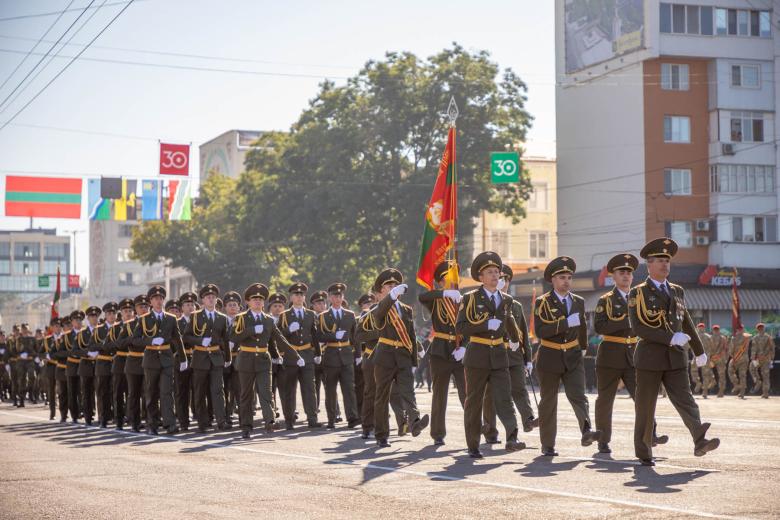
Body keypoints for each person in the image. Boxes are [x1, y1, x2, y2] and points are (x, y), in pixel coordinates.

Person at [628, 237, 719, 466]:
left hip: (676, 357)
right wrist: (670, 337)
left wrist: (698, 349)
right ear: (649, 265)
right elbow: (639, 328)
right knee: (646, 407)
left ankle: (700, 439)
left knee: (686, 400)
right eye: (660, 261)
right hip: (650, 357)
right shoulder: (638, 293)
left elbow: (685, 320)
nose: (665, 265)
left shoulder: (677, 290)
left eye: (667, 261)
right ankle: (644, 451)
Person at [594, 253, 667, 454]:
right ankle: (602, 437)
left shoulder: (641, 297)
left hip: (635, 354)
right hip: (610, 355)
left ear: (633, 277)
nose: (625, 276)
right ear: (614, 277)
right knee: (605, 399)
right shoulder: (606, 300)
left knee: (644, 397)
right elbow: (599, 326)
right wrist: (625, 322)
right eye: (621, 272)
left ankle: (651, 434)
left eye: (628, 273)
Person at [456, 252, 526, 458]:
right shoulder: (469, 298)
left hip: (499, 355)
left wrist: (515, 340)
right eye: (490, 272)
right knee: (474, 402)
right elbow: (460, 327)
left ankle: (512, 438)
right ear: (480, 277)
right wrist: (484, 324)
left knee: (504, 399)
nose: (495, 275)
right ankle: (473, 444)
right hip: (477, 356)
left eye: (497, 272)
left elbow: (510, 321)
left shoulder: (506, 299)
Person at [534, 256, 602, 456]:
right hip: (549, 355)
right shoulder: (542, 302)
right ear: (553, 280)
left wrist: (582, 347)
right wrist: (565, 323)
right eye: (562, 277)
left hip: (572, 356)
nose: (566, 281)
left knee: (579, 396)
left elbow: (582, 328)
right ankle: (547, 444)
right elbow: (540, 330)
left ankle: (586, 430)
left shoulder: (578, 301)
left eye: (569, 277)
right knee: (548, 401)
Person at [360, 268, 429, 447]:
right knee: (382, 395)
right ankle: (382, 435)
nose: (394, 287)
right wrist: (391, 297)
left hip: (404, 357)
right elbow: (379, 316)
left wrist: (415, 359)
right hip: (384, 356)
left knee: (408, 391)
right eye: (389, 285)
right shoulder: (377, 308)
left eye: (396, 285)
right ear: (381, 291)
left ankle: (414, 423)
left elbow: (411, 336)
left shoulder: (406, 309)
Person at [229, 283, 303, 439]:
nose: (258, 302)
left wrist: (297, 357)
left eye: (260, 299)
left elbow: (281, 340)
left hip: (263, 360)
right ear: (248, 302)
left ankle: (270, 422)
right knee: (247, 395)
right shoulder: (240, 318)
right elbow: (232, 337)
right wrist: (251, 330)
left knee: (266, 392)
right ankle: (246, 426)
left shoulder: (269, 320)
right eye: (254, 299)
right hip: (246, 360)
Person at [481, 264, 538, 445]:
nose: (502, 282)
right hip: (493, 353)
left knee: (519, 388)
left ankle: (528, 419)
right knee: (491, 396)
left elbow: (523, 334)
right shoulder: (485, 301)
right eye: (500, 278)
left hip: (513, 354)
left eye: (506, 279)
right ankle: (490, 431)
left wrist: (527, 358)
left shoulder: (516, 305)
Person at [418, 262, 467, 446]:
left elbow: (471, 327)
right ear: (440, 281)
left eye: (455, 276)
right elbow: (422, 296)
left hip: (460, 351)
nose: (453, 280)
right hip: (440, 351)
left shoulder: (465, 300)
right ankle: (438, 433)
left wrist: (465, 347)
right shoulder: (436, 299)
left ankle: (476, 427)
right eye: (448, 276)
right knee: (440, 394)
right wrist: (445, 293)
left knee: (467, 393)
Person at [132, 285, 187, 435]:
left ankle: (169, 424)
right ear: (151, 301)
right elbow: (135, 340)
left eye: (161, 298)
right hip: (150, 360)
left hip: (167, 359)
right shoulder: (143, 319)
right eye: (156, 298)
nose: (159, 301)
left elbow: (177, 339)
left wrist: (183, 359)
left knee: (167, 391)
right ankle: (153, 424)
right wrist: (150, 341)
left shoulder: (171, 318)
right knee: (151, 393)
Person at [184, 284, 231, 433]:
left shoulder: (222, 318)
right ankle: (202, 422)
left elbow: (225, 339)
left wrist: (228, 358)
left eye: (213, 297)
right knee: (200, 392)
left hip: (216, 358)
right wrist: (199, 341)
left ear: (216, 300)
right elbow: (186, 336)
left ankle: (221, 421)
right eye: (208, 297)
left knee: (218, 390)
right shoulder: (195, 316)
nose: (211, 299)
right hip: (200, 357)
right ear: (203, 300)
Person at [277, 283, 323, 429]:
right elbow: (278, 336)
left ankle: (312, 418)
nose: (299, 297)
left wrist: (318, 353)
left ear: (305, 297)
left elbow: (314, 335)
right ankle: (289, 419)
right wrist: (288, 330)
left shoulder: (310, 314)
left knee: (309, 388)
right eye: (296, 295)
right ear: (291, 297)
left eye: (301, 295)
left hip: (307, 355)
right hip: (291, 357)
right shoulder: (284, 315)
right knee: (290, 389)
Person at [318, 283, 361, 429]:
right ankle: (331, 418)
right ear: (330, 297)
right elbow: (318, 335)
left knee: (349, 388)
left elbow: (355, 337)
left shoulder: (349, 315)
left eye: (340, 295)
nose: (338, 297)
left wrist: (358, 355)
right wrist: (333, 336)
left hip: (347, 356)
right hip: (331, 356)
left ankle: (352, 417)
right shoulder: (323, 316)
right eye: (336, 295)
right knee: (330, 390)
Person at [106, 298, 134, 430]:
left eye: (130, 311)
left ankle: (132, 416)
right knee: (118, 392)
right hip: (120, 361)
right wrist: (120, 343)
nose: (128, 313)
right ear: (121, 313)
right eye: (125, 311)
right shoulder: (116, 327)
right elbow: (107, 345)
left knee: (132, 392)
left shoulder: (137, 325)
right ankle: (118, 419)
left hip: (134, 361)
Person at [91, 302, 119, 428]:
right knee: (103, 392)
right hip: (103, 363)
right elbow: (91, 346)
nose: (112, 316)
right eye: (109, 314)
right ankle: (103, 418)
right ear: (105, 315)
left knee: (117, 391)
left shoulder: (120, 328)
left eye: (114, 313)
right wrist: (104, 344)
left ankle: (117, 416)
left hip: (117, 362)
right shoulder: (99, 330)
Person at [72, 309, 101, 425]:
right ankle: (88, 416)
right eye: (92, 316)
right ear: (88, 319)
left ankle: (102, 416)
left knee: (101, 392)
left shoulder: (103, 331)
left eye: (96, 316)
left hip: (100, 365)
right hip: (86, 366)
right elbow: (75, 350)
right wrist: (87, 353)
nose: (94, 318)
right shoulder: (82, 333)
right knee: (86, 393)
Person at [267, 292, 289, 421]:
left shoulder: (287, 320)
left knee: (284, 387)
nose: (277, 308)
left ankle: (288, 413)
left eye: (280, 306)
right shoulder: (266, 319)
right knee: (270, 388)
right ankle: (272, 413)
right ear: (270, 308)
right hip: (269, 358)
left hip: (284, 358)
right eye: (275, 305)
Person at [222, 291, 243, 425]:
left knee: (239, 389)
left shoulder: (243, 320)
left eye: (234, 305)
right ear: (225, 307)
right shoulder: (221, 320)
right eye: (229, 305)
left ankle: (243, 417)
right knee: (225, 389)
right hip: (224, 359)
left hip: (239, 359)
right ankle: (226, 417)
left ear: (239, 307)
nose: (232, 307)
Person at [310, 290, 329, 412]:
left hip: (328, 355)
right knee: (314, 385)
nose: (322, 305)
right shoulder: (310, 318)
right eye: (319, 303)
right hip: (313, 354)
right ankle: (314, 409)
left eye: (324, 303)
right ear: (314, 306)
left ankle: (334, 412)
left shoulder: (330, 318)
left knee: (330, 386)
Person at [41, 318, 62, 420]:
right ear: (52, 328)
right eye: (56, 326)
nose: (58, 328)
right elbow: (40, 353)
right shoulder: (47, 340)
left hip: (62, 367)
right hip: (51, 367)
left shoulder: (64, 338)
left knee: (62, 390)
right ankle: (52, 413)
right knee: (52, 390)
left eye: (60, 326)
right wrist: (46, 356)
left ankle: (63, 412)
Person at [727, 325, 751, 399]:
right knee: (743, 375)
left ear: (737, 330)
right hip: (744, 359)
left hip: (736, 358)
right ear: (743, 329)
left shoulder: (734, 338)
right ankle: (742, 392)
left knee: (730, 371)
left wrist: (732, 357)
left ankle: (735, 384)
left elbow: (731, 349)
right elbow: (750, 335)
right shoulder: (747, 337)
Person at [691, 323, 713, 398]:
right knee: (705, 374)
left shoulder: (694, 336)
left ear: (697, 328)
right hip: (706, 355)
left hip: (696, 354)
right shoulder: (708, 337)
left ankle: (697, 382)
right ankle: (705, 391)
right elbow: (711, 347)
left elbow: (691, 345)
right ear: (704, 328)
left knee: (694, 370)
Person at [751, 323, 773, 398]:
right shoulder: (768, 337)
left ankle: (757, 381)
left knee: (752, 368)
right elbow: (772, 348)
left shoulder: (755, 338)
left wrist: (753, 359)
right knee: (766, 375)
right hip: (766, 358)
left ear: (757, 330)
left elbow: (753, 350)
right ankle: (766, 392)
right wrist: (772, 359)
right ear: (763, 329)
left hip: (758, 358)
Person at [710, 325, 728, 397]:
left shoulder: (710, 338)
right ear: (719, 330)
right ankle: (721, 391)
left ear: (713, 330)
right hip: (721, 358)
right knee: (722, 375)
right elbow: (727, 349)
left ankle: (712, 379)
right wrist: (726, 358)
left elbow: (708, 348)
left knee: (706, 371)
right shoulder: (723, 339)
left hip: (712, 358)